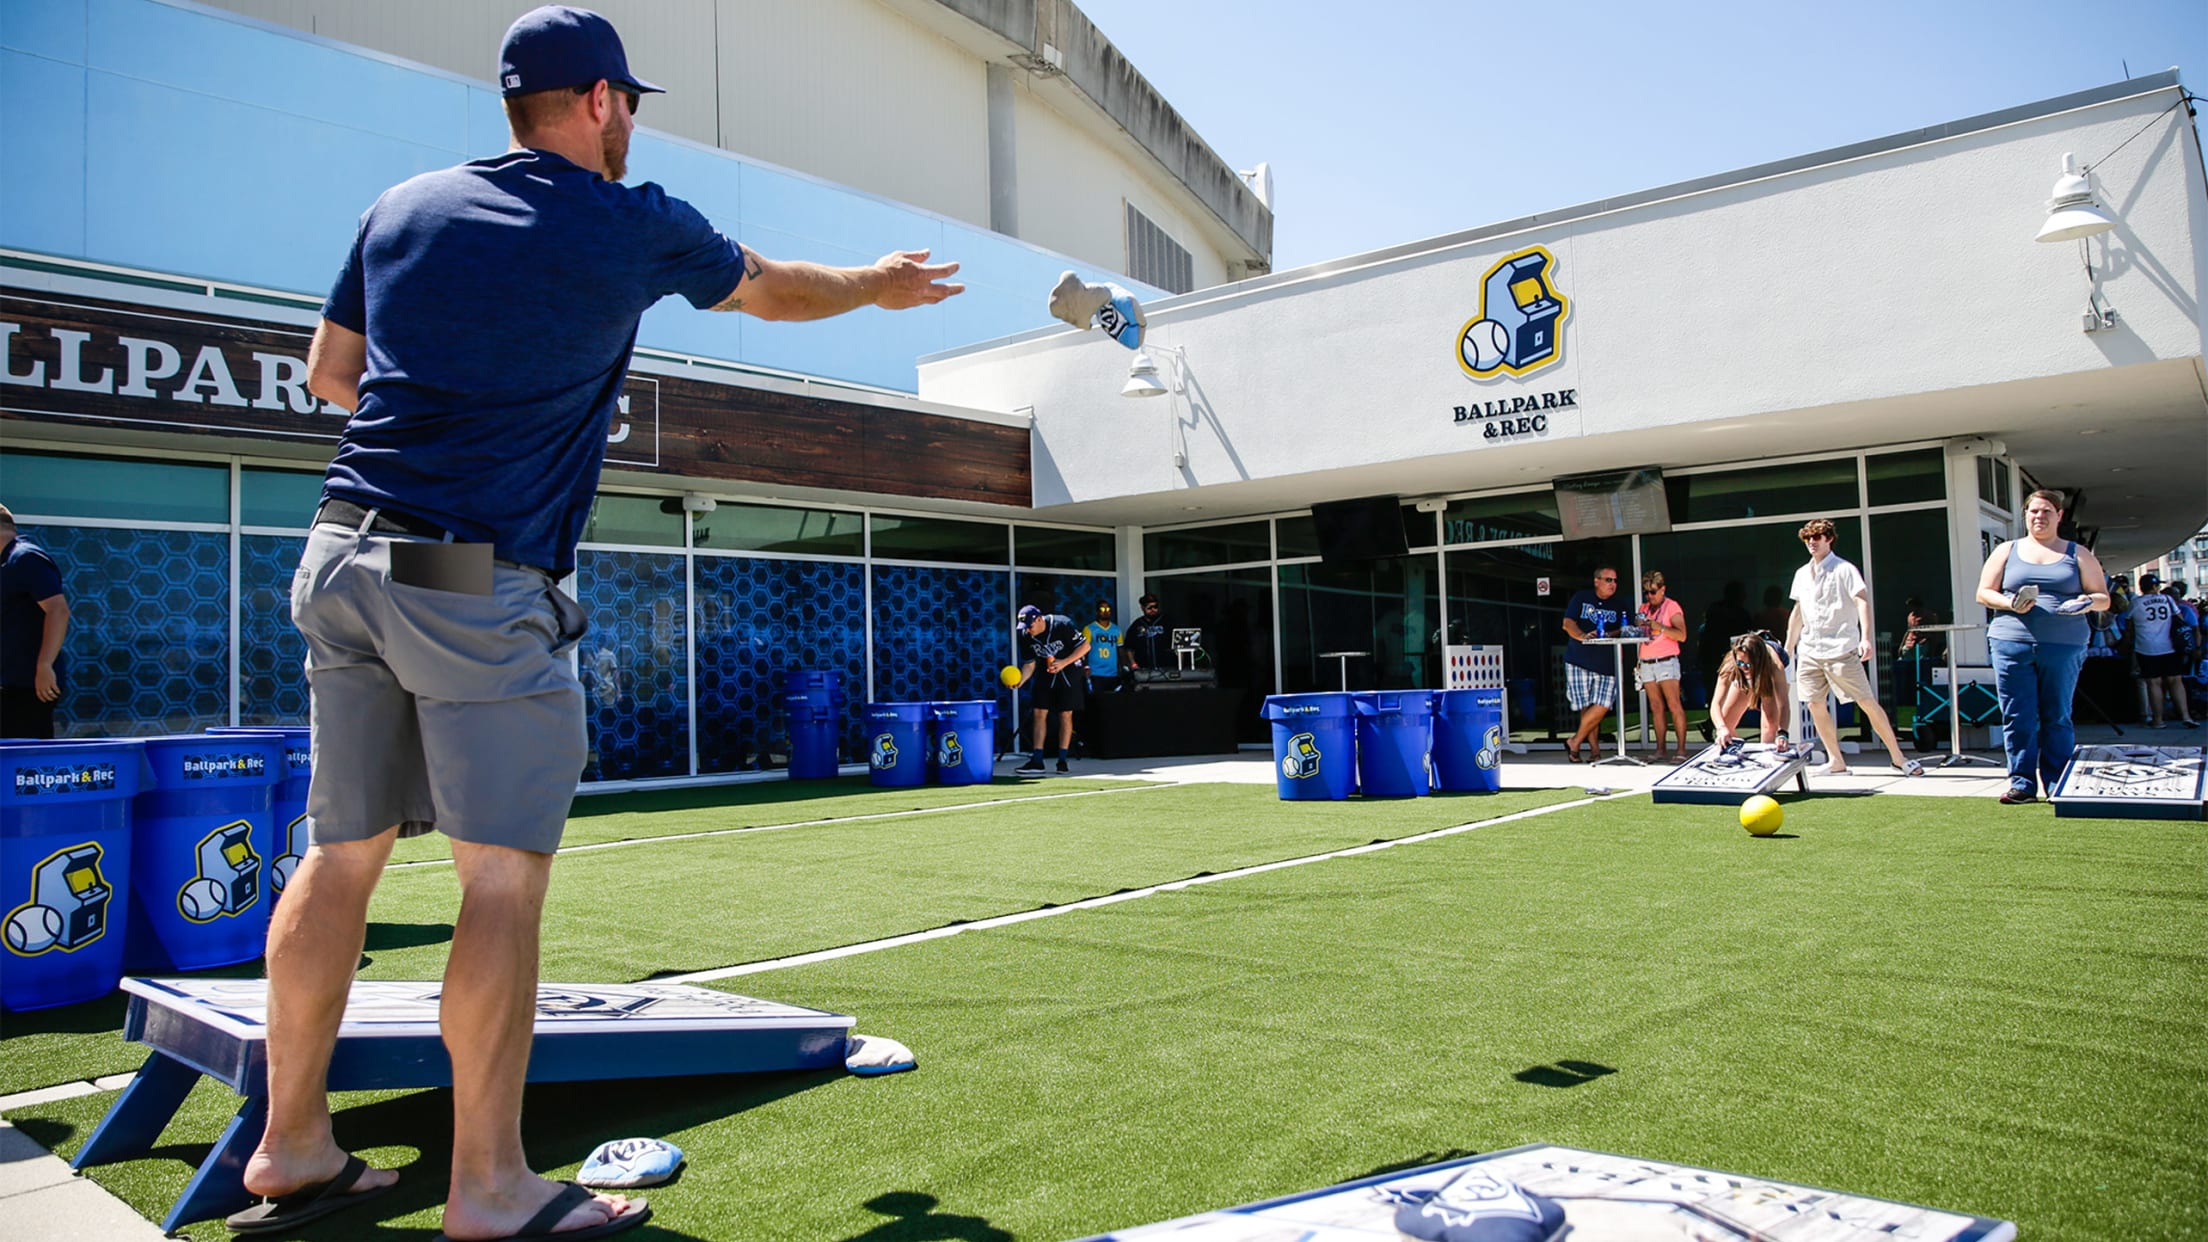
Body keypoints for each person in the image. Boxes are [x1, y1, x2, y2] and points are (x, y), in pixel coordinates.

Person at [240, 9, 963, 1240]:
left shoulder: (403, 206)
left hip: (342, 550)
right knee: (501, 879)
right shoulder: (627, 221)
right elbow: (775, 292)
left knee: (340, 853)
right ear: (593, 102)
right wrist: (883, 289)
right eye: (630, 101)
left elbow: (330, 374)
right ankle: (489, 1187)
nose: (633, 122)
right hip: (463, 571)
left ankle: (293, 1146)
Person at [1974, 490, 2110, 803]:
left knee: (2057, 715)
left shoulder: (2078, 553)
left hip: (2063, 645)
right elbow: (1983, 593)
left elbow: (2102, 597)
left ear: (2059, 515)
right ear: (2025, 515)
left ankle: (2057, 782)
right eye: (2034, 511)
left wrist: (2085, 601)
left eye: (2046, 511)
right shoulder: (2007, 550)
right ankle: (2021, 783)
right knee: (2017, 715)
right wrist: (2010, 602)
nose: (2039, 517)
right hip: (2011, 642)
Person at [1784, 519, 1924, 777]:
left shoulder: (1844, 569)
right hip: (1810, 649)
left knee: (1866, 701)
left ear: (1829, 539)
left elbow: (1862, 601)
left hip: (1841, 647)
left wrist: (1866, 637)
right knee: (1814, 704)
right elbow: (1798, 611)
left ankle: (1898, 757)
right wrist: (1788, 646)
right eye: (1808, 538)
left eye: (1818, 537)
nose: (1812, 542)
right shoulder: (1802, 573)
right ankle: (1836, 760)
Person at [0, 504, 70, 739]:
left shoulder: (25, 558)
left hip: (28, 686)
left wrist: (44, 665)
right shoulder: (6, 563)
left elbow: (58, 610)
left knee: (26, 760)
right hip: (9, 682)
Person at [1559, 566, 1632, 763]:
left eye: (1615, 580)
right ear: (1596, 581)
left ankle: (1575, 742)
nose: (1613, 584)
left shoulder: (1620, 604)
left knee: (1602, 704)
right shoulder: (1582, 597)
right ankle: (1594, 750)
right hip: (1579, 660)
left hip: (1607, 662)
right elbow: (1567, 623)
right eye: (1608, 580)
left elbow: (1625, 628)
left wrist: (1610, 634)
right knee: (1586, 707)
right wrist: (1583, 636)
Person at [1012, 605, 1089, 774]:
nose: (1028, 631)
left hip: (1069, 671)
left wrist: (1064, 662)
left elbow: (1085, 647)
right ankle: (1037, 760)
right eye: (1025, 628)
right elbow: (1029, 663)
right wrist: (1021, 680)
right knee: (1039, 712)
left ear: (1039, 619)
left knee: (1065, 713)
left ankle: (1062, 760)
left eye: (1030, 626)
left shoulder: (1061, 624)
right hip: (1045, 673)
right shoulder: (1026, 636)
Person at [1708, 630, 1792, 762]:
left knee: (1769, 724)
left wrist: (1783, 734)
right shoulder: (1731, 664)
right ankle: (1735, 749)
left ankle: (1766, 761)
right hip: (1752, 669)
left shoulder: (1775, 666)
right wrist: (1721, 728)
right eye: (1741, 664)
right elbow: (1715, 704)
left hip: (1766, 674)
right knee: (1726, 721)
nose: (1745, 668)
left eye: (1748, 665)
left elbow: (1784, 705)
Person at [2128, 571, 2194, 728]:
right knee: (2175, 681)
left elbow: (2129, 626)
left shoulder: (2135, 602)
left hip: (2146, 647)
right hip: (2169, 646)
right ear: (2155, 586)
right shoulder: (2167, 599)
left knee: (2153, 683)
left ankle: (2158, 720)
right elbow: (2180, 621)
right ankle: (2186, 716)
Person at [1635, 571, 1688, 761]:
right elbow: (1639, 630)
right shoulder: (1644, 607)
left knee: (1674, 704)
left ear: (1662, 589)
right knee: (1656, 707)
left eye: (1653, 591)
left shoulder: (1672, 607)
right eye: (1647, 592)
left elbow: (1682, 635)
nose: (1650, 596)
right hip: (1647, 661)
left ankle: (1681, 749)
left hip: (1666, 661)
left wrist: (1661, 628)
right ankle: (1660, 749)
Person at [1894, 598, 1948, 751]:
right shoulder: (1911, 616)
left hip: (1923, 646)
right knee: (1906, 667)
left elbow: (1933, 632)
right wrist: (1902, 646)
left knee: (1921, 669)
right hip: (1909, 646)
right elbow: (1908, 631)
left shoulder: (1929, 615)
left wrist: (1929, 647)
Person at [1124, 593, 1169, 678]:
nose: (1153, 610)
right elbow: (1129, 647)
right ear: (1142, 608)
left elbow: (1178, 644)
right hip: (1143, 670)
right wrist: (1133, 664)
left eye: (1155, 607)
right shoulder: (1136, 624)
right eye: (1149, 607)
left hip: (1166, 669)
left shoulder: (1167, 622)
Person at [1083, 599, 1123, 693]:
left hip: (1113, 673)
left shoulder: (1116, 629)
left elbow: (1120, 649)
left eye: (1108, 609)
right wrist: (1085, 666)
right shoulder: (1089, 629)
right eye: (1102, 609)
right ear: (1097, 612)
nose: (1105, 611)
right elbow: (1082, 651)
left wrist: (1123, 667)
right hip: (1095, 673)